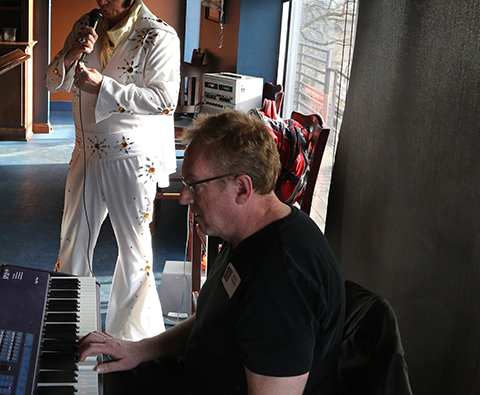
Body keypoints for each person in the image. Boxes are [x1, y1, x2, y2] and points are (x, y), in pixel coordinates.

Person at [77, 109, 346, 394]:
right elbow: (214, 319)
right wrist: (141, 349)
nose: (183, 198)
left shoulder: (282, 281)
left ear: (241, 188)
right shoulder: (253, 229)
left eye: (194, 185)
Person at [45, 0, 181, 341]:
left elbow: (163, 99)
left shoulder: (158, 37)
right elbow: (53, 82)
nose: (101, 0)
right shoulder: (86, 24)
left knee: (134, 249)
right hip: (85, 153)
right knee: (73, 240)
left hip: (131, 157)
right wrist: (71, 54)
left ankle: (130, 338)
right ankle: (70, 327)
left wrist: (102, 86)